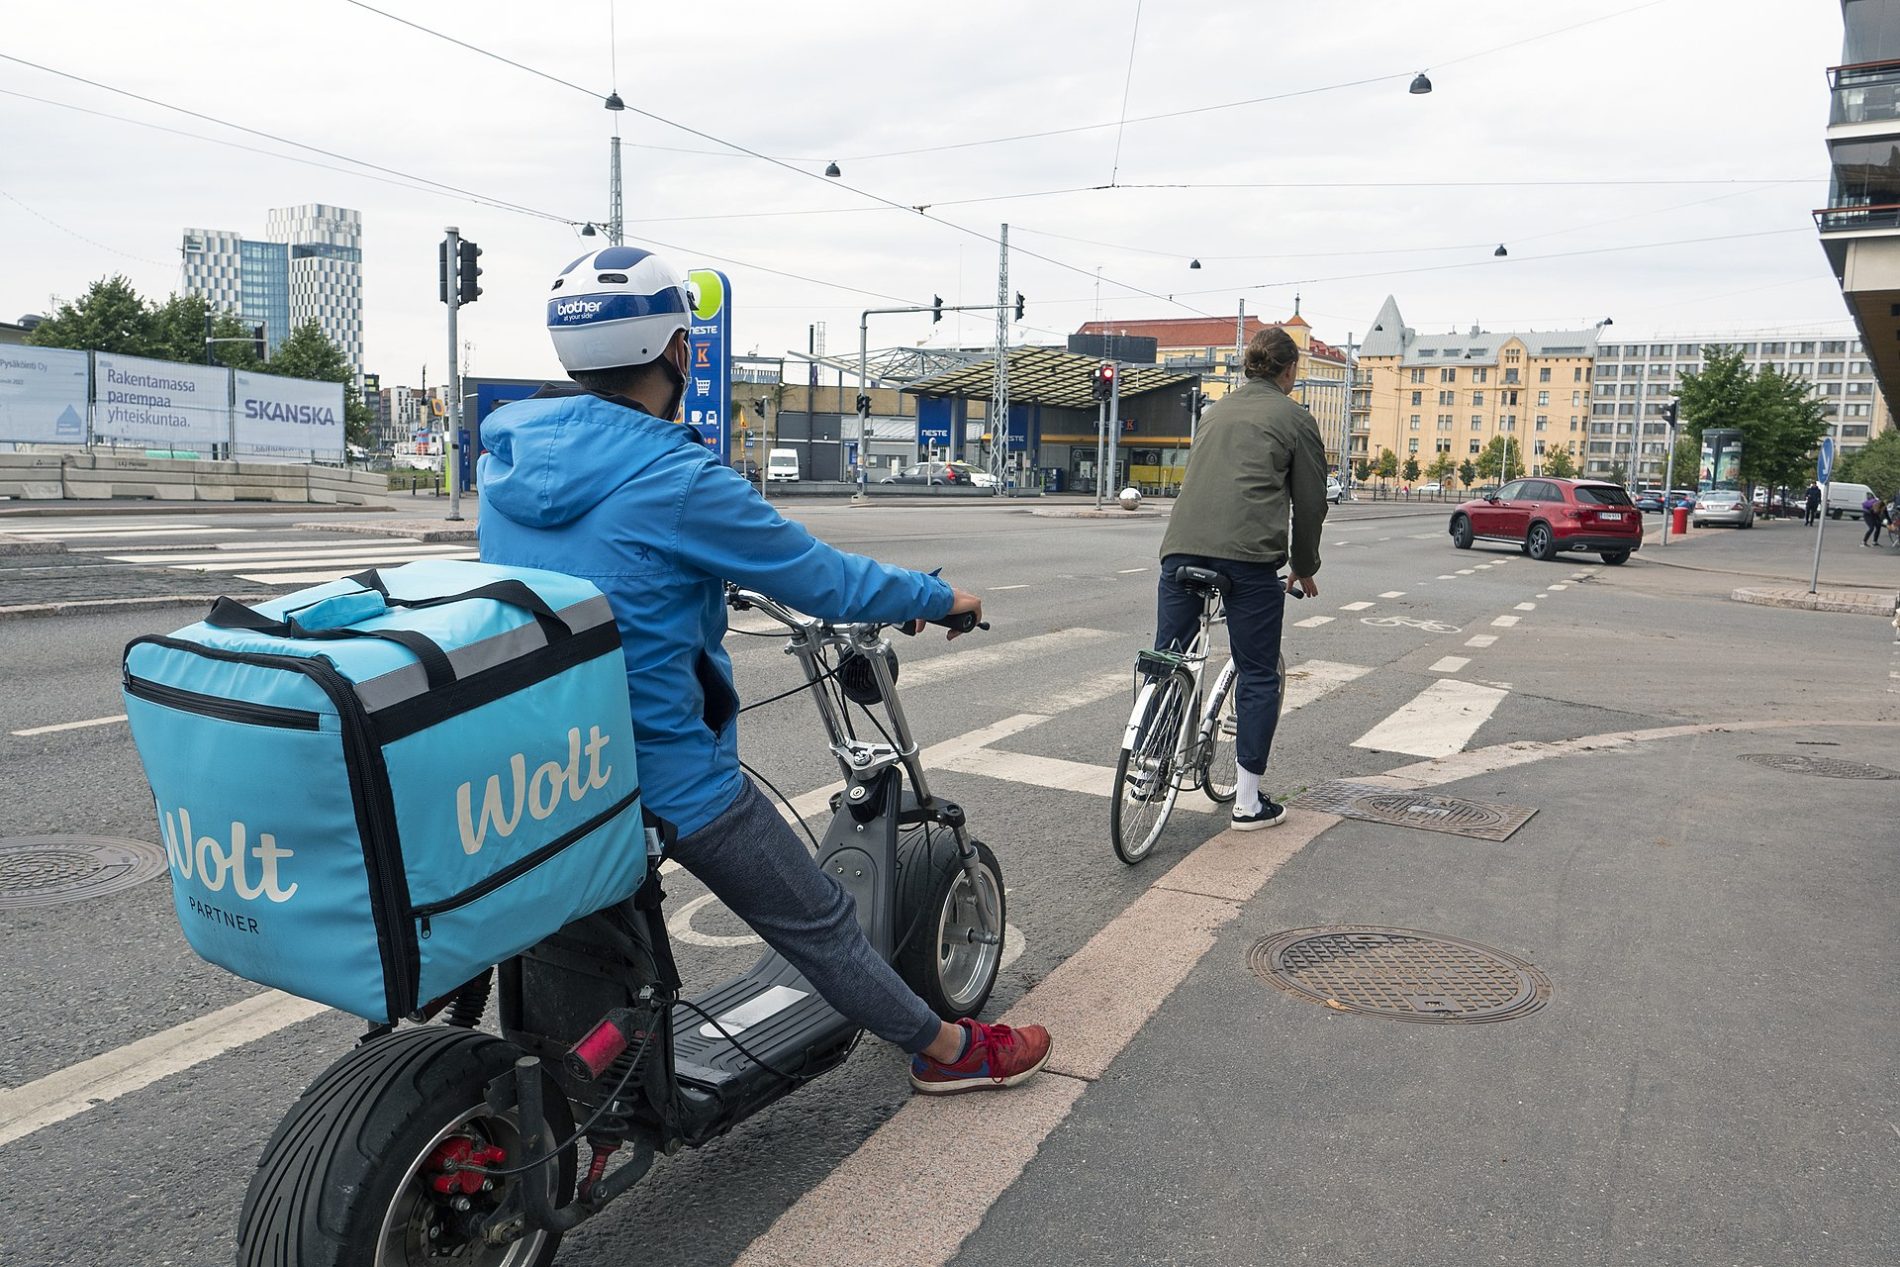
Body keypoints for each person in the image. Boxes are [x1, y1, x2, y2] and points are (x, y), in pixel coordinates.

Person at [478, 247, 1050, 1095]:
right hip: (661, 766)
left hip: (547, 754)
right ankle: (948, 1052)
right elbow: (824, 580)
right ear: (676, 351)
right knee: (817, 920)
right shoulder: (675, 475)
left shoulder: (506, 458)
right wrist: (940, 596)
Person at [1152, 326, 1327, 830]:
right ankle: (1248, 802)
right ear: (1289, 371)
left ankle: (1146, 763)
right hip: (1248, 561)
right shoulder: (1295, 419)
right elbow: (1310, 502)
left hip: (1179, 551)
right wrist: (1304, 565)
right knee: (1257, 673)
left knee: (1169, 658)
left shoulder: (1212, 411)